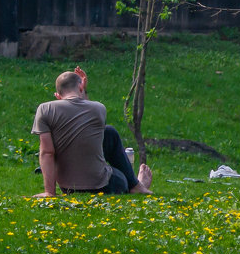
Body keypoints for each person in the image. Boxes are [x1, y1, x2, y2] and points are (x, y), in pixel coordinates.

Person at [30, 66, 152, 197]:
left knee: (107, 133)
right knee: (111, 134)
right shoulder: (99, 108)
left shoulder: (44, 109)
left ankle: (137, 185)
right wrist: (83, 90)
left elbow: (47, 152)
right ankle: (137, 185)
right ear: (81, 88)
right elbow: (83, 114)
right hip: (104, 185)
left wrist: (49, 192)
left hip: (68, 188)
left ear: (58, 96)